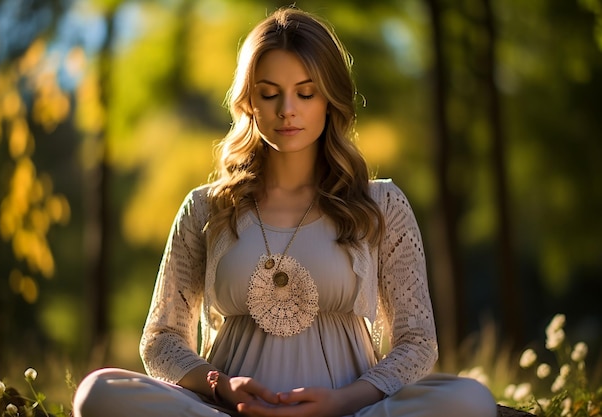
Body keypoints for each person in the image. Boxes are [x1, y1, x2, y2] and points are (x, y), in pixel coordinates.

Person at [73, 6, 497, 417]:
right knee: (98, 391)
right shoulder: (206, 207)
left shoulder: (380, 205)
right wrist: (221, 385)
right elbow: (160, 339)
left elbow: (417, 342)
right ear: (249, 102)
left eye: (306, 93)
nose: (286, 110)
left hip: (350, 412)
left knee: (468, 399)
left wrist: (342, 402)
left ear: (330, 99)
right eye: (269, 93)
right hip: (226, 411)